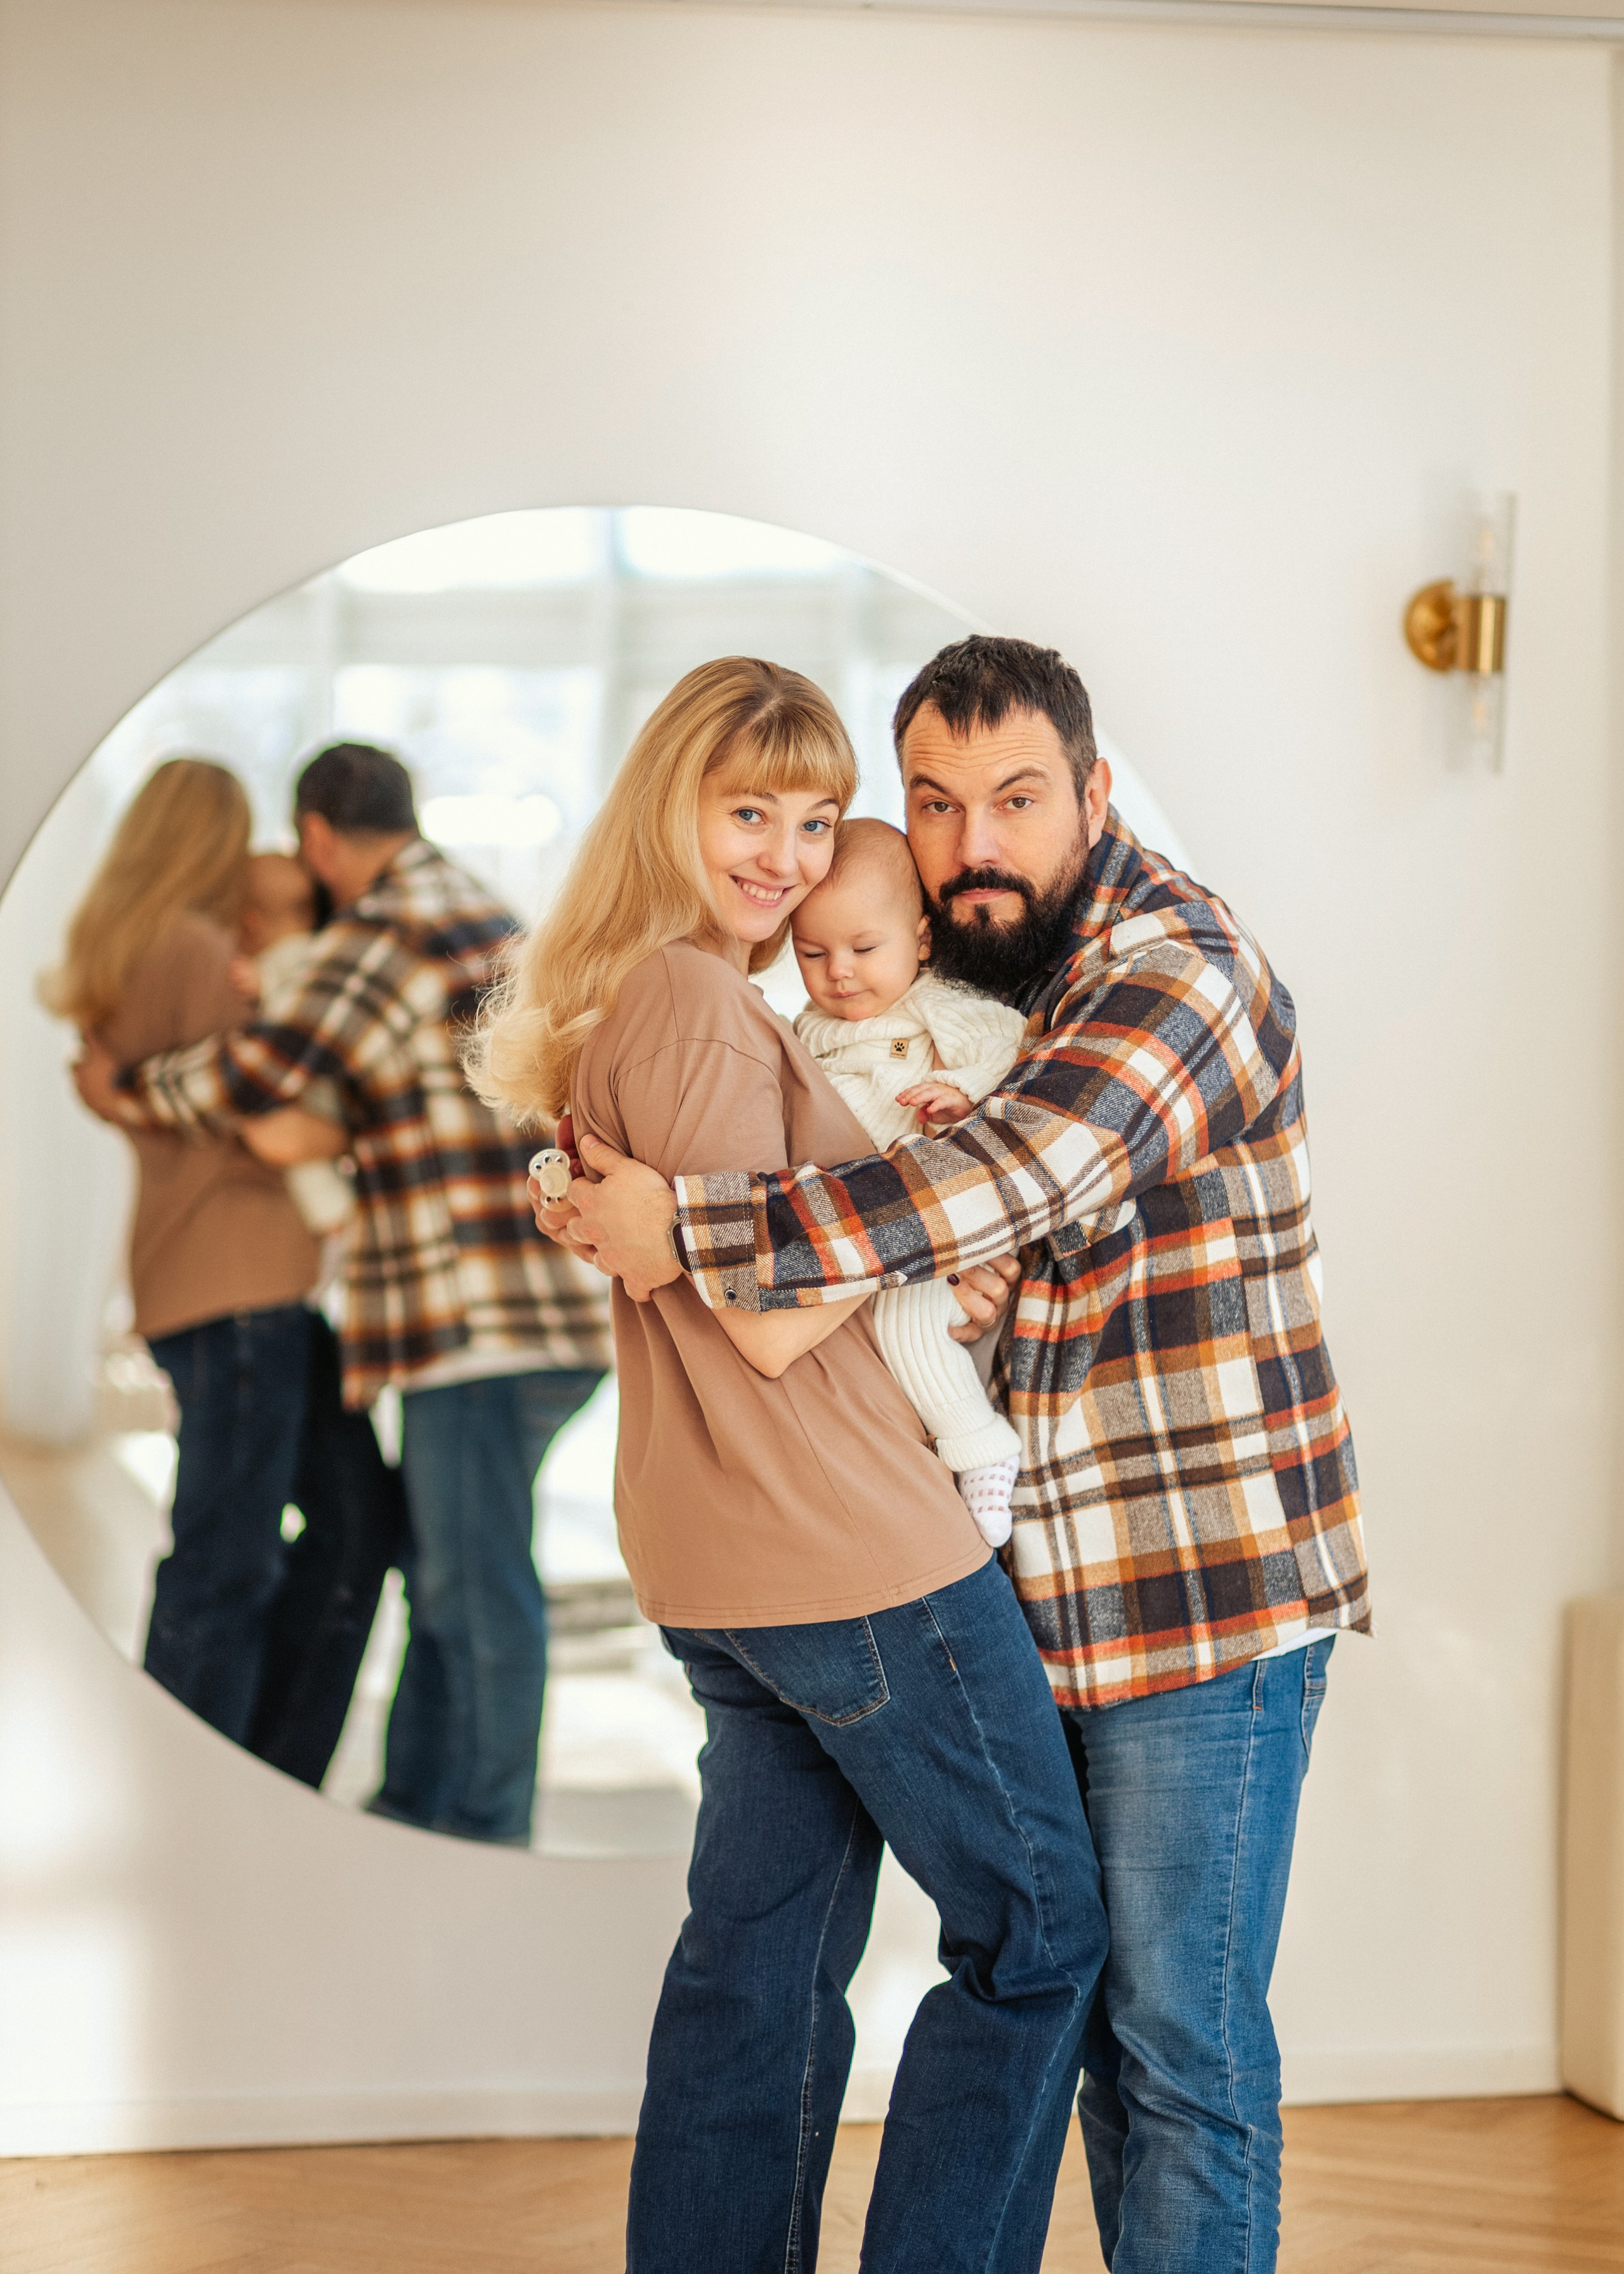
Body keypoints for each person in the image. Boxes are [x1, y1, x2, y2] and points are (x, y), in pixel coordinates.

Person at [538, 636, 1369, 2274]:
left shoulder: (1173, 968)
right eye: (934, 803)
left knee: (1179, 2051)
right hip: (1026, 1569)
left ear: (1094, 794)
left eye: (1014, 798)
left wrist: (673, 1227)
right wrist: (601, 1197)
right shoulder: (960, 979)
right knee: (1088, 2022)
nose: (972, 839)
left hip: (1197, 1585)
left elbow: (999, 1180)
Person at [471, 657, 1107, 2272]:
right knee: (1038, 1933)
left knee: (756, 1967)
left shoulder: (650, 1002)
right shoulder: (690, 1000)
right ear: (666, 802)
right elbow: (762, 1322)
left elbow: (725, 1266)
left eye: (816, 821)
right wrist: (909, 1262)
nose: (786, 856)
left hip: (727, 1560)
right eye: (747, 810)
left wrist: (883, 1259)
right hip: (855, 1551)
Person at [76, 742, 612, 1846]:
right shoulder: (471, 902)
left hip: (480, 1319)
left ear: (319, 837)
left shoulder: (388, 929)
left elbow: (261, 1072)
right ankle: (418, 1803)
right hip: (535, 1306)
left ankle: (479, 1820)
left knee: (474, 1589)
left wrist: (124, 1087)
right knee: (442, 1568)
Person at [42, 758, 386, 1763]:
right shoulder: (195, 953)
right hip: (243, 1290)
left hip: (214, 1282)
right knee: (230, 1559)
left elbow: (122, 1091)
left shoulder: (127, 954)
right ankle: (197, 1778)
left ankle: (245, 1770)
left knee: (334, 1527)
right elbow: (284, 1108)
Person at [789, 816, 1026, 1544]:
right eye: (813, 952)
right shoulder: (804, 1029)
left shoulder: (933, 1005)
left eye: (864, 947)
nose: (841, 971)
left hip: (921, 1226)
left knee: (908, 1323)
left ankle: (981, 1448)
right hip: (842, 1228)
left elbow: (1006, 1046)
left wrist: (961, 1091)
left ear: (920, 940)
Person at [234, 850, 355, 1239]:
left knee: (302, 1151)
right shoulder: (326, 949)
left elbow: (290, 994)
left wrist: (255, 981)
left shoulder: (283, 962)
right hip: (333, 1075)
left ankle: (332, 1214)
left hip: (304, 1083)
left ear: (248, 922)